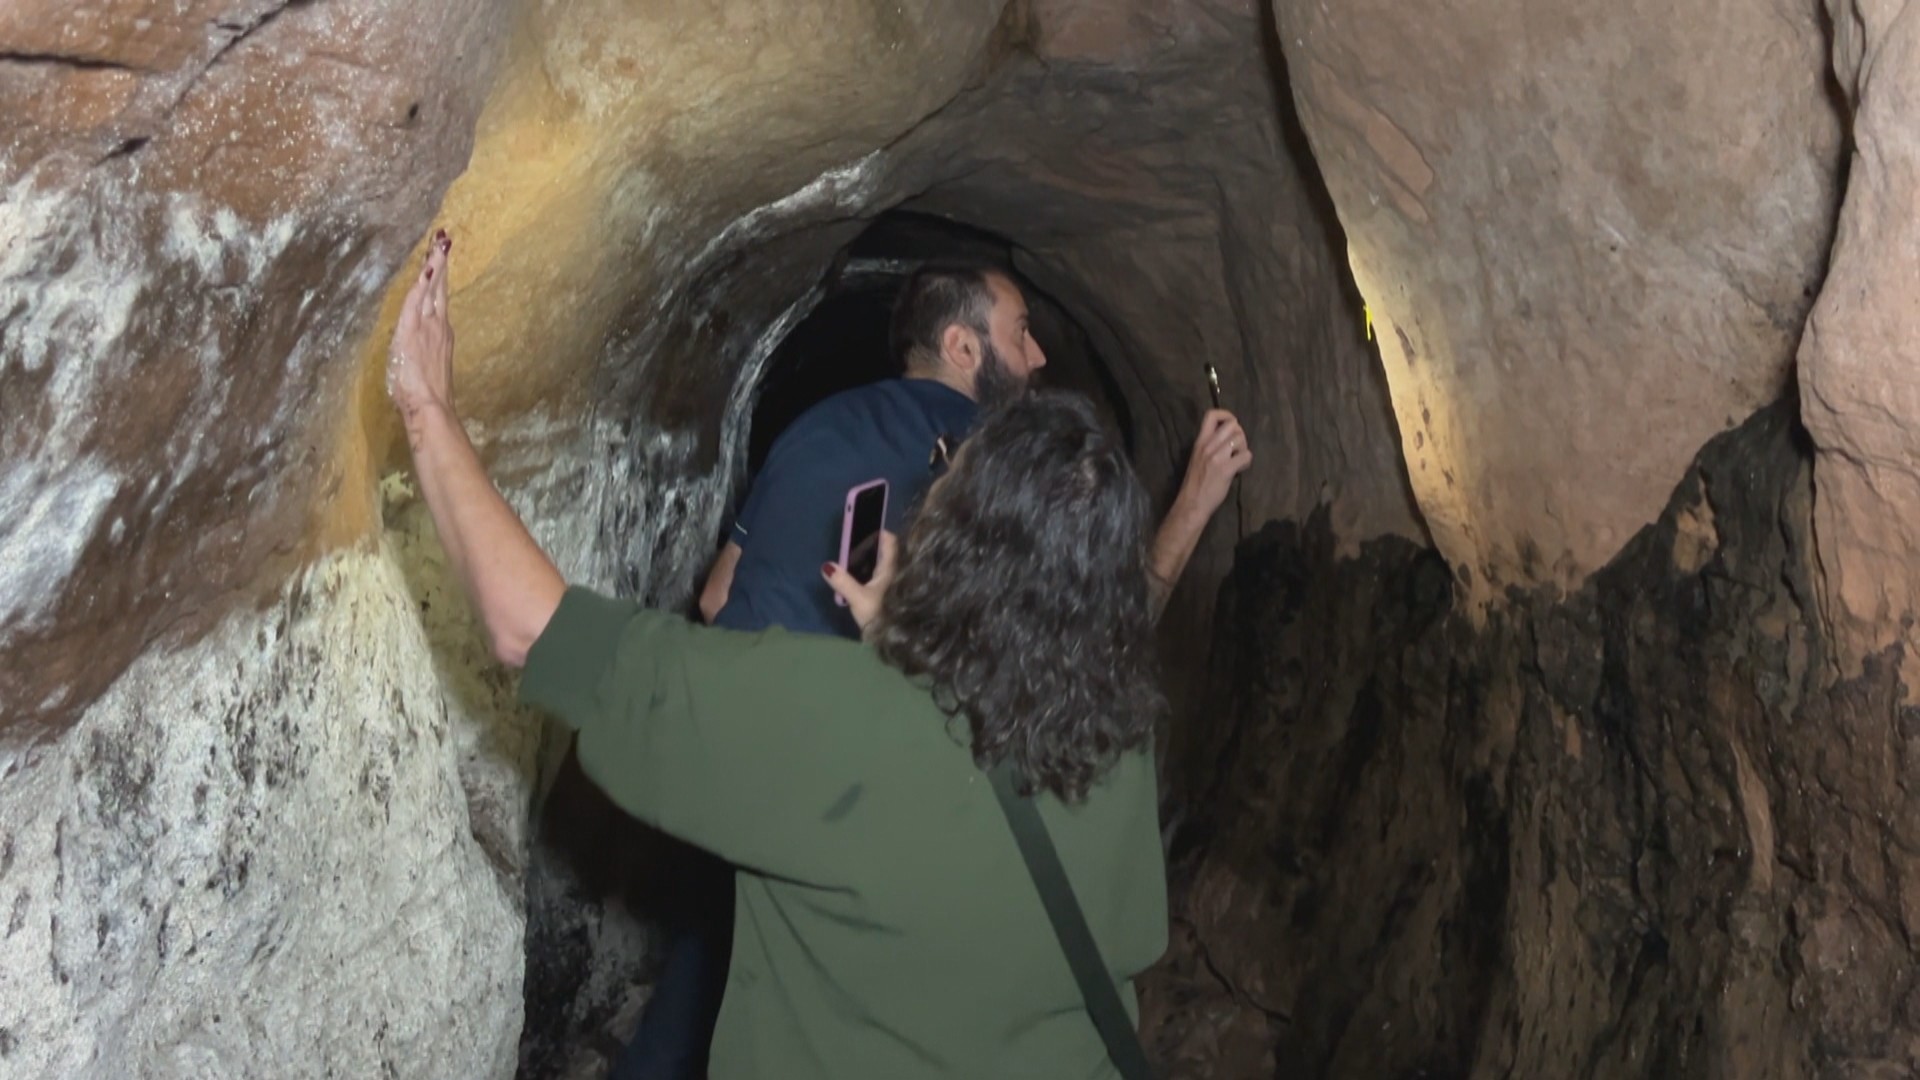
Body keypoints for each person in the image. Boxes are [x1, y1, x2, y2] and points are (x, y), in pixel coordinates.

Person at [386, 232, 1172, 1078]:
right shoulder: (1120, 739)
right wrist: (902, 638)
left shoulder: (834, 726)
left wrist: (429, 412)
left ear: (955, 549)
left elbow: (531, 629)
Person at [634, 260, 1249, 1077]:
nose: (1037, 358)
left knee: (702, 993)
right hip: (885, 830)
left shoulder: (817, 426)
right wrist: (1192, 508)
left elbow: (717, 598)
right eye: (1021, 332)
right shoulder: (1001, 476)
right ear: (963, 347)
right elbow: (1092, 651)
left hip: (751, 772)